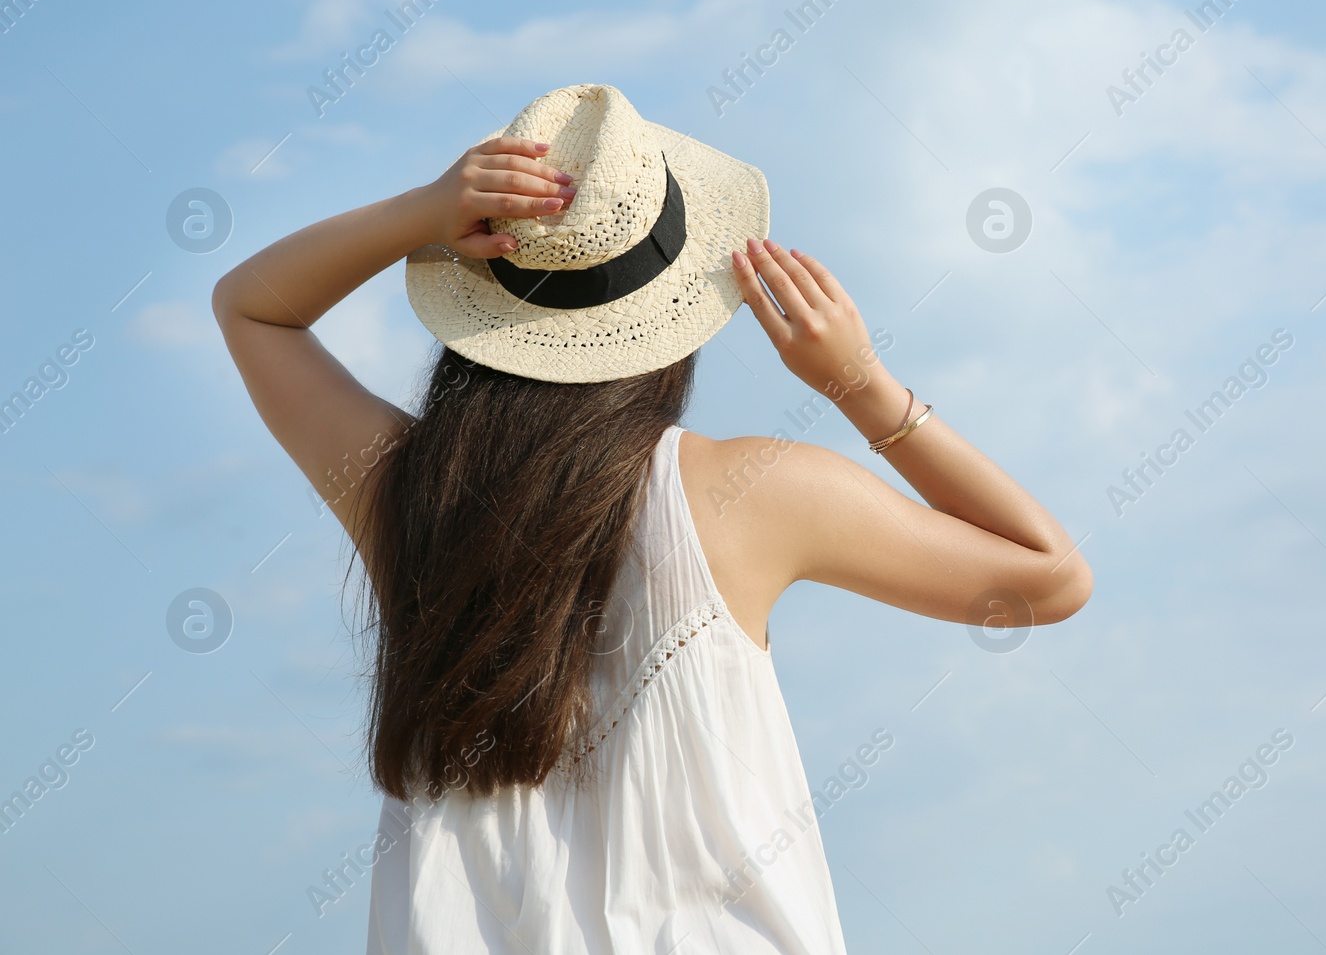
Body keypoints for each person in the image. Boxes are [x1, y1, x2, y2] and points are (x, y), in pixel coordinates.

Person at [212, 83, 1092, 953]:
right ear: (672, 306)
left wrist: (426, 209)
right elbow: (1051, 578)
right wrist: (861, 387)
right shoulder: (750, 491)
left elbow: (251, 308)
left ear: (481, 302)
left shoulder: (408, 498)